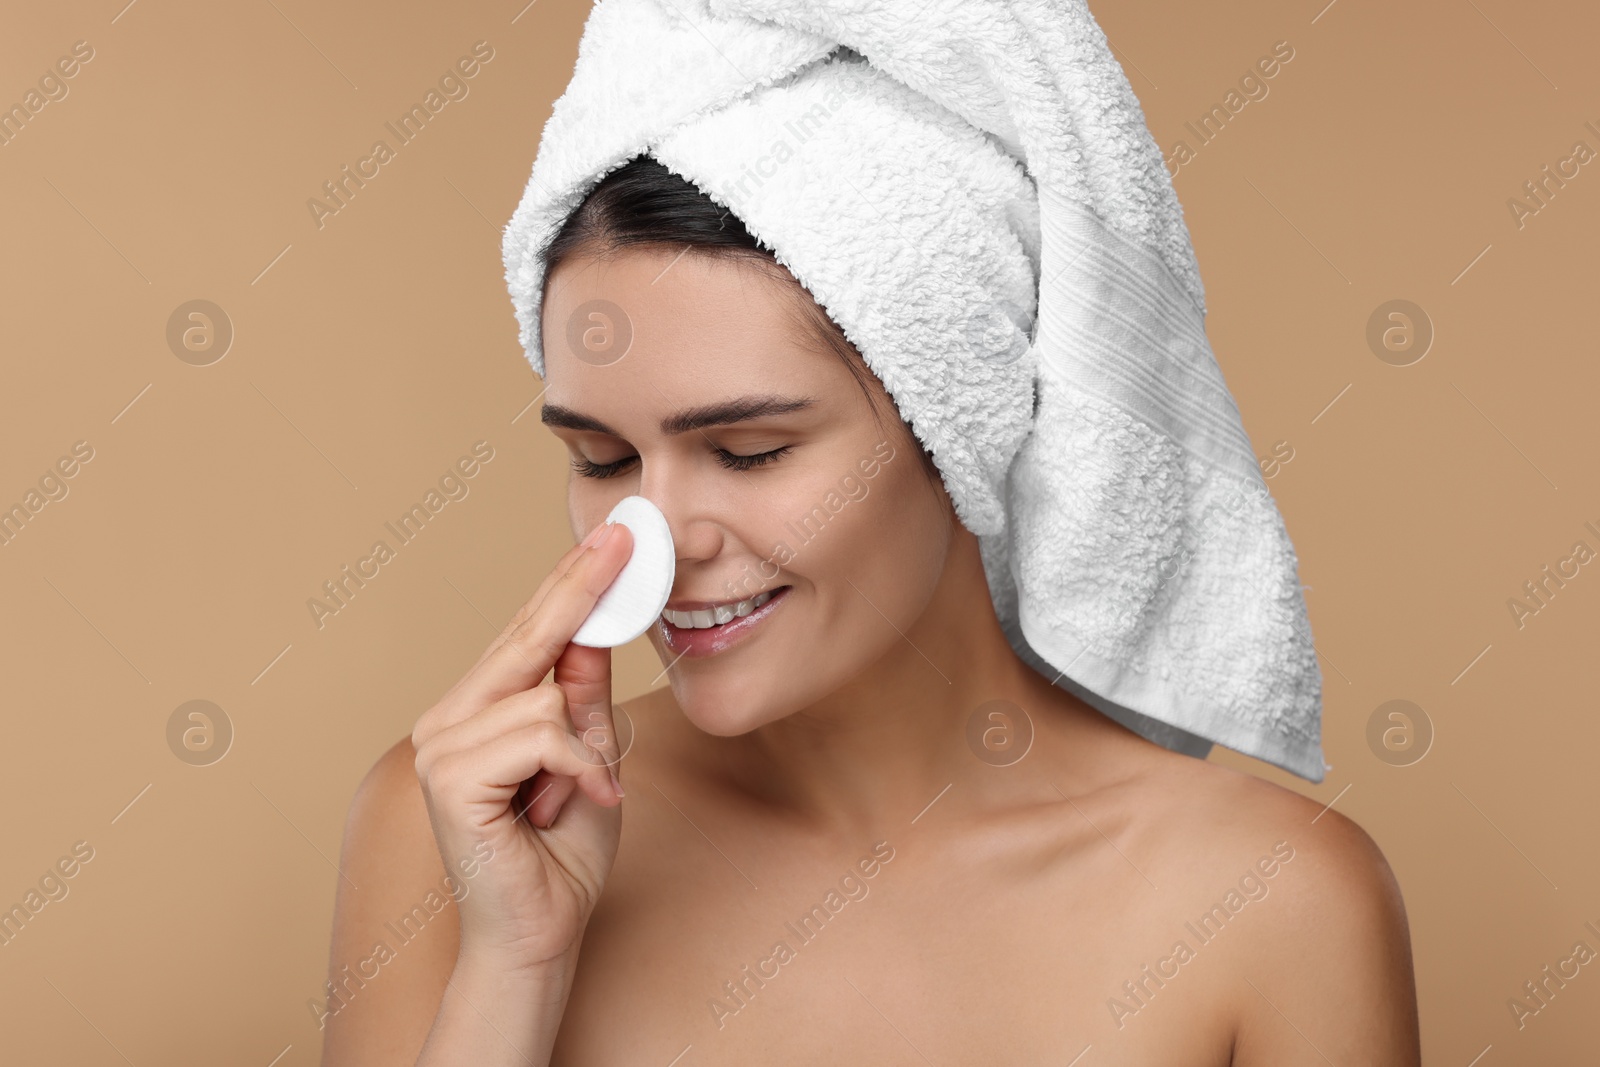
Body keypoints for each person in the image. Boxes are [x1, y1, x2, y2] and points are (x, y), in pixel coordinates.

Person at [316, 153, 1420, 1066]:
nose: (655, 542)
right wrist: (516, 970)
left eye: (749, 452)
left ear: (965, 433)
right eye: (601, 457)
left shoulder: (1269, 903)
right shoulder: (461, 830)